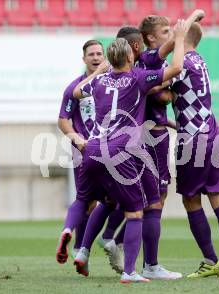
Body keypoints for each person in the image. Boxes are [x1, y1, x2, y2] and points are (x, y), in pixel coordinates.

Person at [72, 20, 187, 283]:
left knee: (104, 201)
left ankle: (83, 251)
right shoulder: (137, 77)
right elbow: (177, 67)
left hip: (92, 150)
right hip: (122, 149)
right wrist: (179, 38)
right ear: (128, 55)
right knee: (136, 212)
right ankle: (131, 272)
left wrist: (98, 71)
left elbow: (77, 91)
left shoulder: (99, 81)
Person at [171, 22, 219, 278]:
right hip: (212, 132)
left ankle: (211, 260)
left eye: (175, 35)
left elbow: (161, 83)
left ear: (183, 38)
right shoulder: (200, 61)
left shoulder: (182, 63)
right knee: (217, 196)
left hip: (192, 139)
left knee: (191, 200)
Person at [55, 39, 104, 264]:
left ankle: (70, 234)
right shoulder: (74, 88)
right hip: (89, 149)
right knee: (107, 201)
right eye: (91, 54)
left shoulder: (111, 83)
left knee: (87, 200)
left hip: (101, 150)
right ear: (83, 59)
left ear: (105, 58)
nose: (95, 57)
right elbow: (63, 119)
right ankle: (82, 247)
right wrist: (75, 137)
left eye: (99, 54)